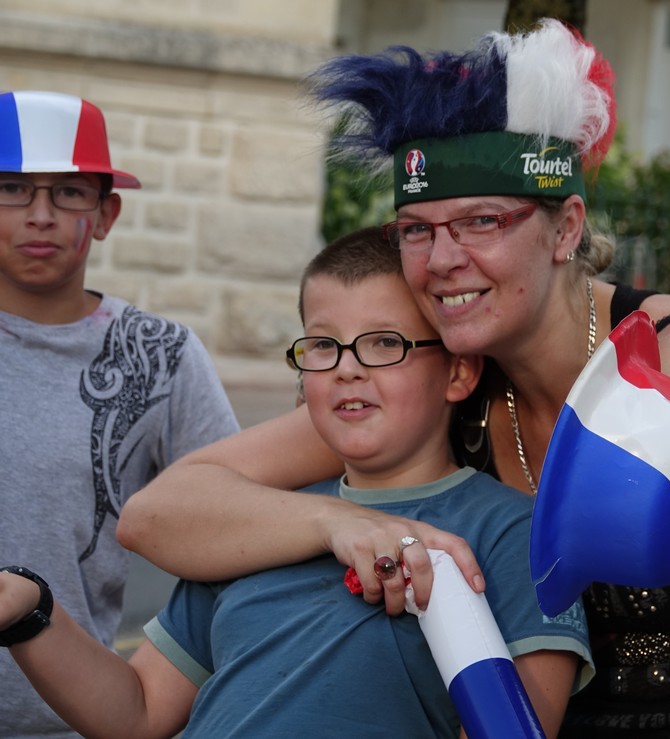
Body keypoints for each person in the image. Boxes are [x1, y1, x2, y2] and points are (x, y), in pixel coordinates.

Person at [118, 19, 670, 737]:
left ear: (566, 228)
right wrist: (337, 523)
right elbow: (158, 514)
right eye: (416, 230)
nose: (442, 260)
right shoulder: (450, 383)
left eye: (482, 221)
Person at [1, 226, 593, 738]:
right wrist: (30, 611)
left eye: (384, 343)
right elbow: (137, 710)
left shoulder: (511, 533)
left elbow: (509, 726)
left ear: (458, 372)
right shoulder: (254, 523)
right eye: (323, 345)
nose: (347, 367)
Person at [0, 89, 240, 737]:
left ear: (106, 214)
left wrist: (166, 677)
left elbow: (236, 519)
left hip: (74, 724)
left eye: (69, 192)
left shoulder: (161, 356)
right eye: (12, 189)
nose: (41, 215)